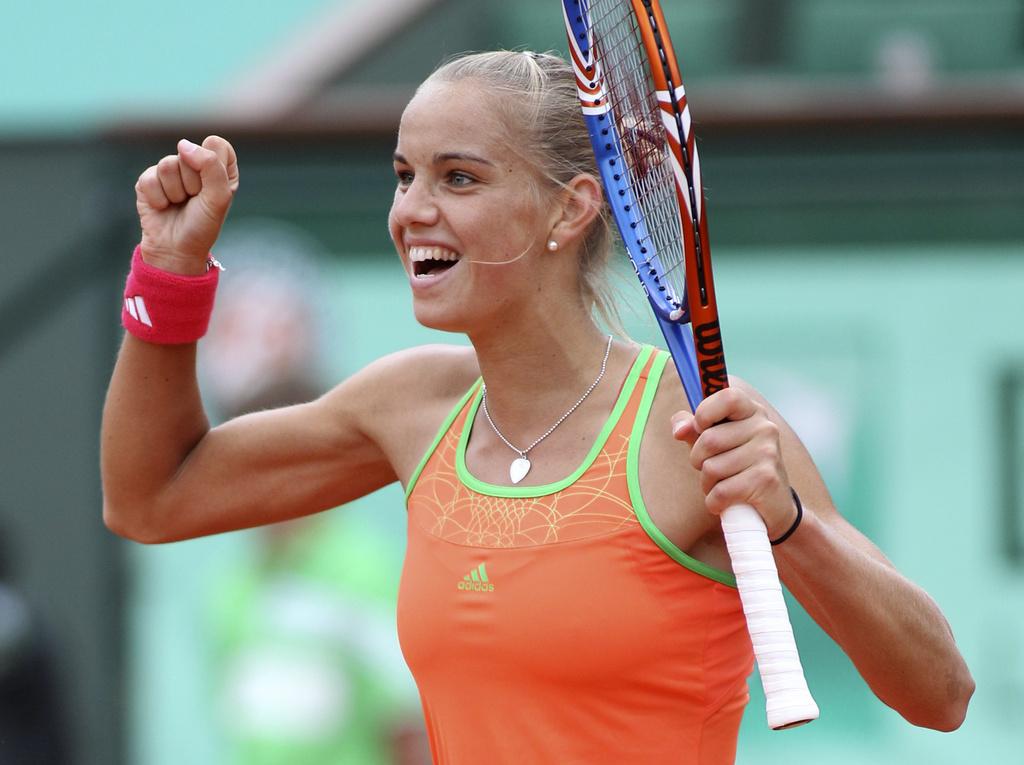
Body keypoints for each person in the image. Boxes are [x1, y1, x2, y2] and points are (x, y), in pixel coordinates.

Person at [102, 51, 974, 764]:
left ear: (571, 208)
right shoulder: (411, 405)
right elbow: (153, 495)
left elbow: (941, 694)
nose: (412, 211)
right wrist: (170, 276)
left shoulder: (693, 424)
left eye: (459, 177)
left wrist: (793, 524)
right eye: (404, 176)